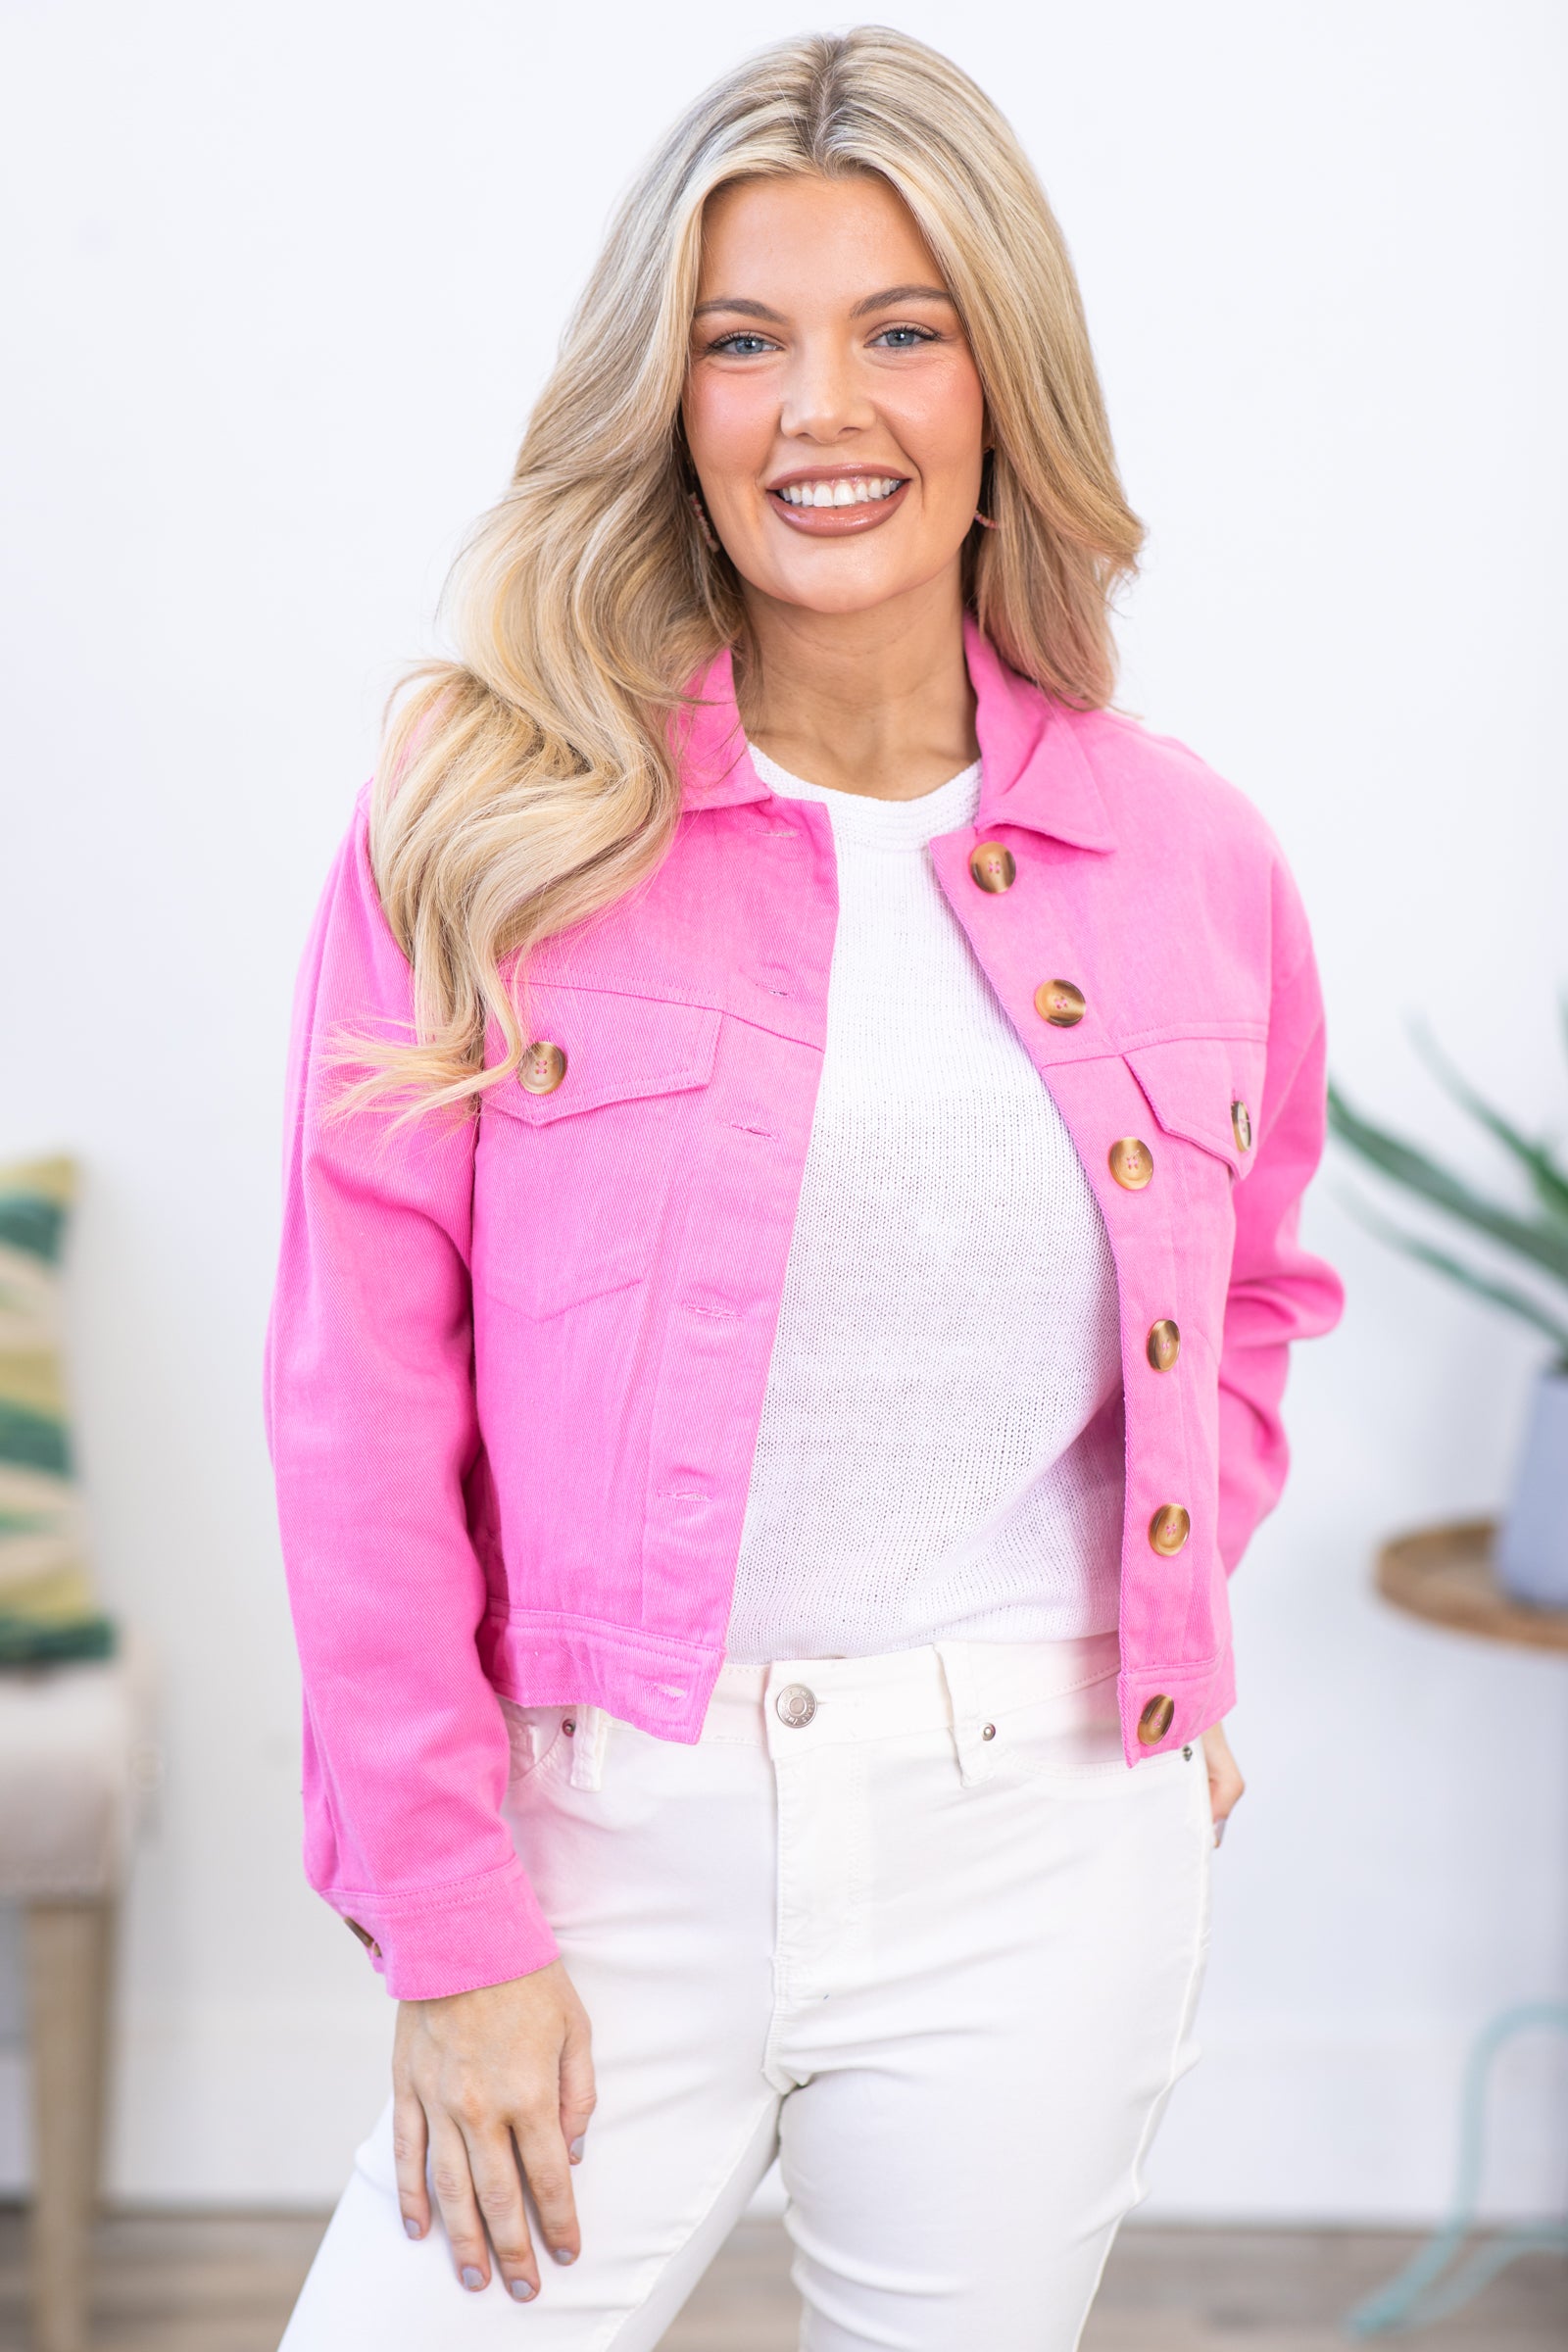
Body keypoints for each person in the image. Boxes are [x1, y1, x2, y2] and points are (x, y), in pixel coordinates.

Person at [267, 26, 1344, 2348]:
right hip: (597, 1838)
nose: (816, 412)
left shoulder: (1190, 855)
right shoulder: (488, 816)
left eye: (898, 332)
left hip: (1038, 1838)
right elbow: (358, 1401)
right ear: (665, 396)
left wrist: (1163, 1620)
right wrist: (448, 1926)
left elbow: (1251, 1301)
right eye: (741, 341)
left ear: (1000, 382)